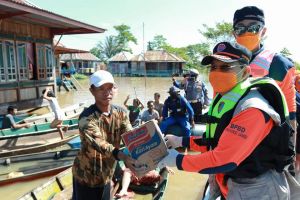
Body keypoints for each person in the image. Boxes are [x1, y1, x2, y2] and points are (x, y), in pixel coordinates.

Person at [157, 42, 295, 199]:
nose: (216, 73)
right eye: (213, 67)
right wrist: (182, 141)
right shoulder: (228, 97)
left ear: (245, 72)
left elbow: (223, 159)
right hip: (231, 183)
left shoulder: (252, 108)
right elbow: (216, 140)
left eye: (225, 68)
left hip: (257, 190)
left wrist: (177, 160)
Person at [232, 6, 297, 154]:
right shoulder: (223, 63)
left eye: (254, 28)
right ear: (233, 33)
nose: (247, 32)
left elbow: (290, 115)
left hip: (264, 150)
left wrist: (290, 156)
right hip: (229, 144)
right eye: (240, 28)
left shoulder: (279, 65)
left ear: (264, 31)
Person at [72, 70, 138, 200]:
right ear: (92, 91)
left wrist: (148, 143)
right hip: (86, 177)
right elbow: (100, 144)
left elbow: (130, 135)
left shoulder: (121, 113)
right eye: (101, 89)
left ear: (115, 89)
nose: (107, 92)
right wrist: (123, 156)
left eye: (110, 88)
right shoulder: (86, 118)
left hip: (107, 175)